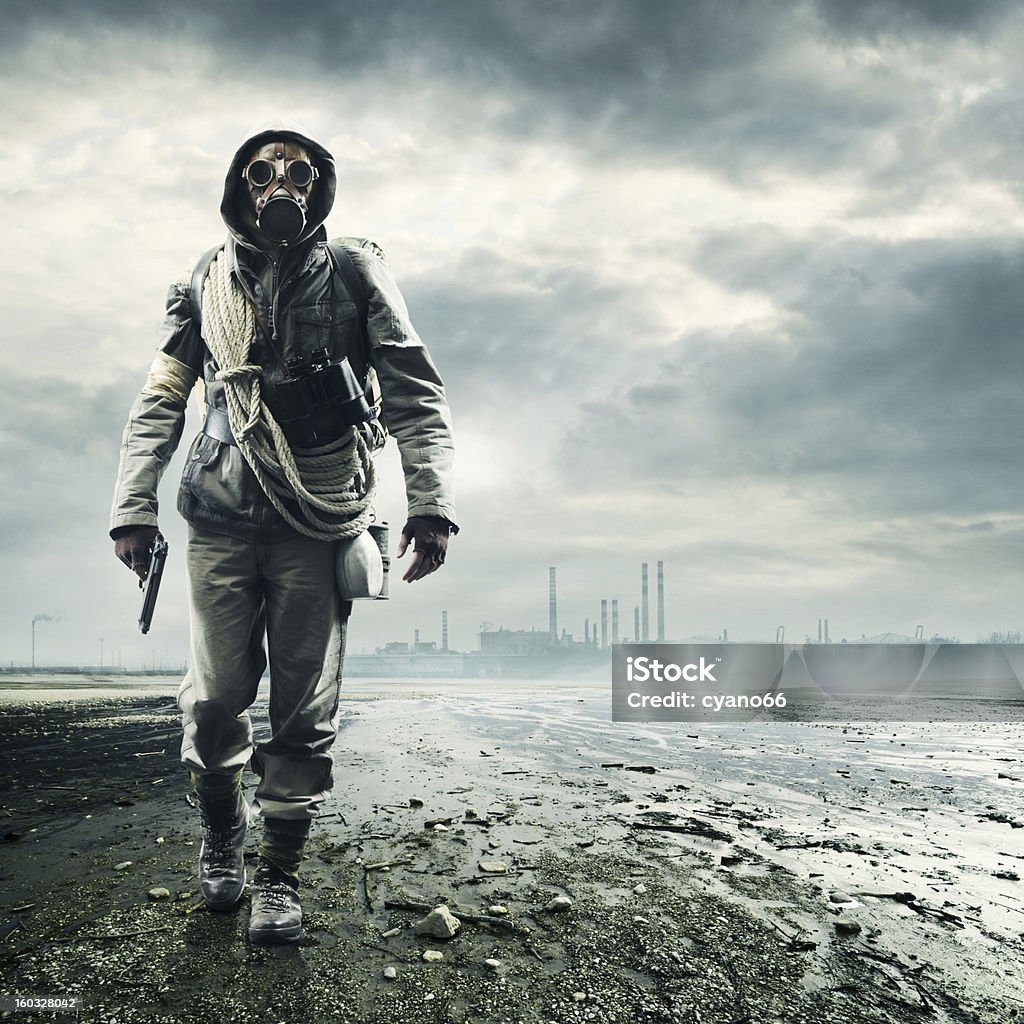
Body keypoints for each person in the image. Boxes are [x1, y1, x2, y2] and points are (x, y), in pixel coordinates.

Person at [109, 121, 457, 944]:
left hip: (320, 519)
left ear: (318, 189)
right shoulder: (205, 280)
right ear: (240, 188)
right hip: (222, 518)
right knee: (217, 701)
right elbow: (163, 394)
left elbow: (414, 391)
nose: (280, 187)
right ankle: (223, 838)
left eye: (298, 174)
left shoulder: (355, 272)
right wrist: (134, 503)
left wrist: (431, 503)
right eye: (263, 173)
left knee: (303, 712)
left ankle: (280, 874)